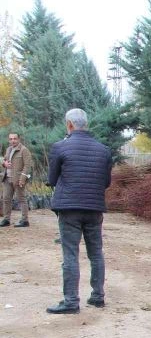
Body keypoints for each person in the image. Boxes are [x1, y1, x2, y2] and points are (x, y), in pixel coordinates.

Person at [45, 108, 113, 314]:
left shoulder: (59, 147)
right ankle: (98, 297)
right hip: (94, 208)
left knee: (71, 255)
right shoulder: (104, 150)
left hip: (69, 208)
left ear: (69, 125)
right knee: (96, 253)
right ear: (86, 124)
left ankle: (71, 301)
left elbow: (51, 180)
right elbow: (106, 182)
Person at [1, 132, 33, 228]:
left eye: (15, 138)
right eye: (11, 139)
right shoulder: (8, 149)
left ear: (18, 139)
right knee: (6, 199)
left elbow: (27, 166)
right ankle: (6, 219)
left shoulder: (24, 150)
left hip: (18, 179)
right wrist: (4, 164)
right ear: (9, 140)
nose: (13, 140)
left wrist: (22, 178)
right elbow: (5, 161)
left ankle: (25, 220)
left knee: (21, 199)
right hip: (7, 178)